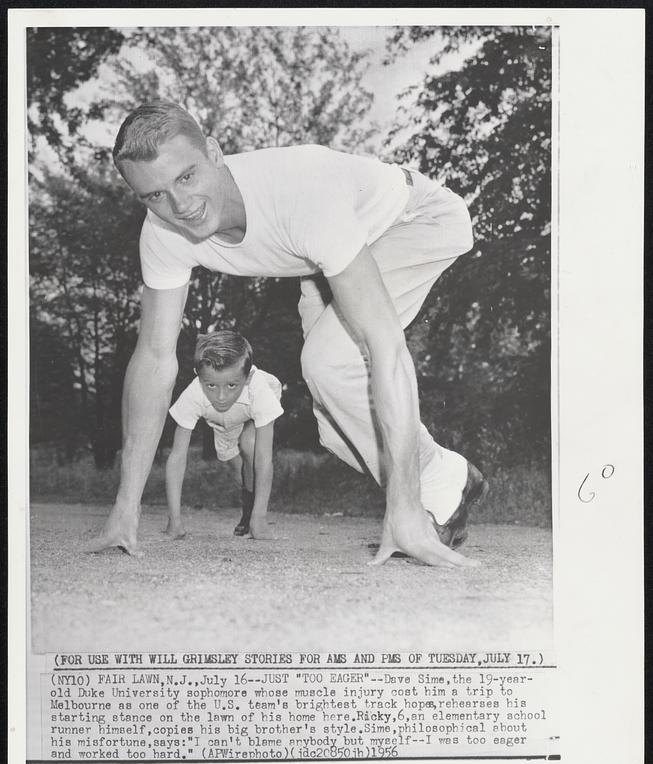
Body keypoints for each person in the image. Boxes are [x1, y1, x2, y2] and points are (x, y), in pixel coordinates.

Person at [86, 99, 487, 566]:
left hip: (416, 220)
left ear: (215, 152)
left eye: (187, 176)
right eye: (154, 195)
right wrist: (124, 508)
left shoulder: (301, 194)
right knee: (338, 428)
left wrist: (402, 510)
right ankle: (449, 473)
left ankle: (424, 505)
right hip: (320, 260)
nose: (180, 206)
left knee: (330, 364)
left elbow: (386, 347)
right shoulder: (163, 231)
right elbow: (154, 358)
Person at [165, 331, 283, 541]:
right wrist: (174, 522)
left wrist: (260, 519)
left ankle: (253, 517)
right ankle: (248, 507)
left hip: (249, 410)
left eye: (231, 385)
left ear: (246, 378)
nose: (220, 397)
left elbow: (264, 458)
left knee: (250, 444)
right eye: (210, 385)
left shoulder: (258, 387)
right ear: (198, 376)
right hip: (222, 423)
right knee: (238, 469)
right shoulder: (194, 394)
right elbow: (177, 457)